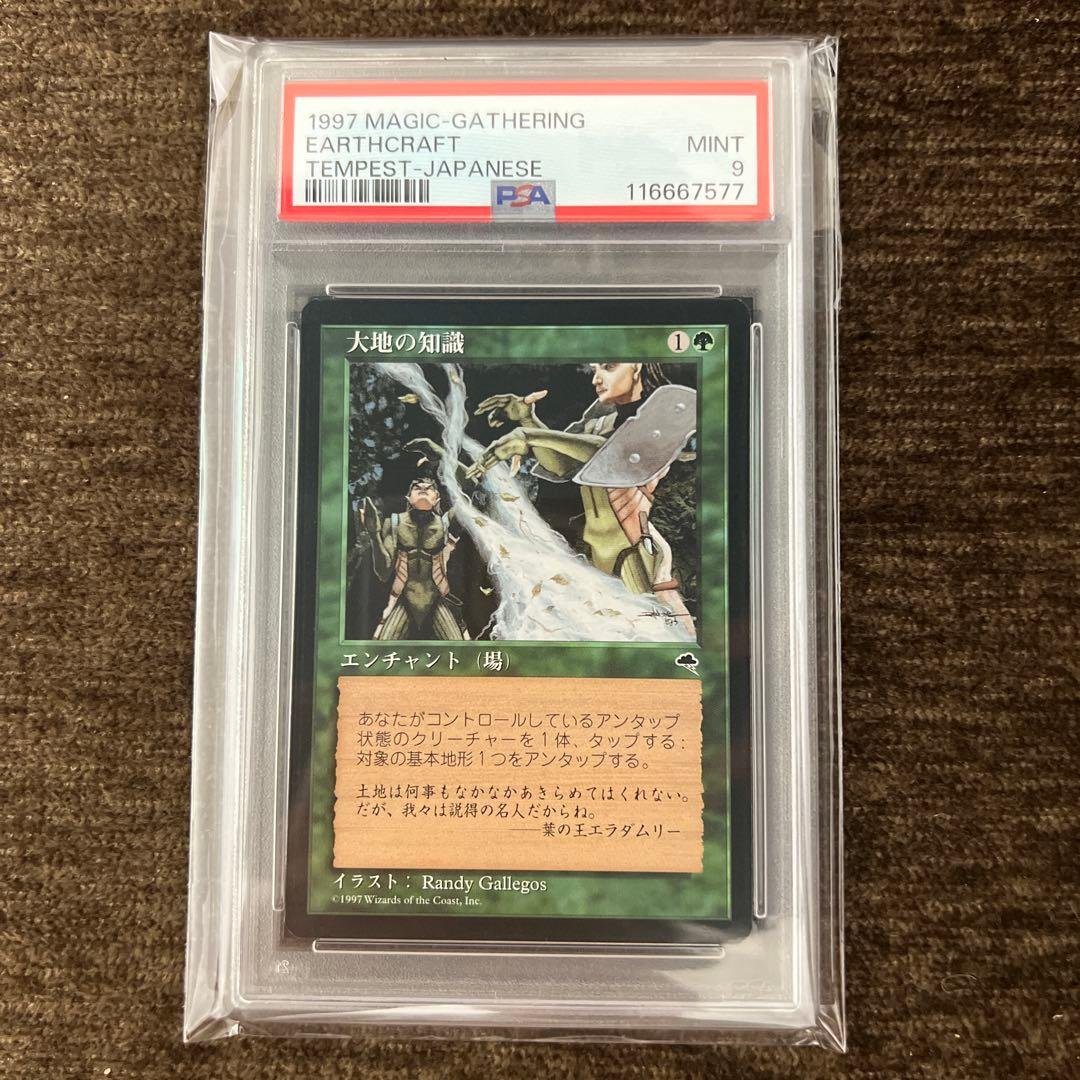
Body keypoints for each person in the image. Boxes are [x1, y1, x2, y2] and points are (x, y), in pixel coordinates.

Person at [468, 362, 696, 634]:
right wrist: (528, 420)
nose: (596, 378)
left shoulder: (662, 416)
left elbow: (615, 456)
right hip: (593, 550)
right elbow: (561, 465)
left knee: (659, 632)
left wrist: (531, 435)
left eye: (608, 367)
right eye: (595, 369)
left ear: (637, 367)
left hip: (632, 548)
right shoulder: (598, 421)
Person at [359, 476, 469, 640]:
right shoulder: (394, 523)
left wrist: (478, 472)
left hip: (437, 600)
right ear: (408, 498)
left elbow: (467, 500)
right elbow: (383, 572)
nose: (423, 489)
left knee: (460, 650)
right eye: (417, 487)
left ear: (437, 499)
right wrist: (374, 534)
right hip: (404, 600)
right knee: (382, 651)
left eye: (429, 488)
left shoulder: (445, 524)